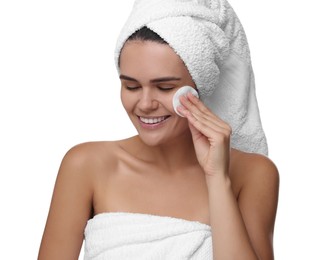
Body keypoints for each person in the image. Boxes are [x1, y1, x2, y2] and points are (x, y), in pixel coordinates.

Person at [38, 0, 279, 259]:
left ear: (201, 86)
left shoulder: (253, 174)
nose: (144, 104)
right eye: (131, 86)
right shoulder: (86, 165)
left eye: (164, 88)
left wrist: (217, 179)